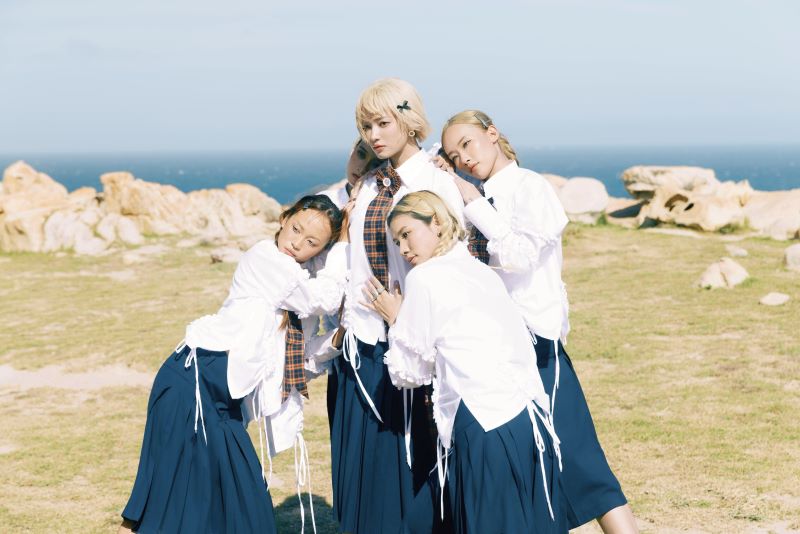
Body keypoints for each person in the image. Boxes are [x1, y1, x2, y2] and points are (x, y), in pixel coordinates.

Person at [441, 110, 638, 533]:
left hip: (536, 343)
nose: (464, 159)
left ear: (492, 134)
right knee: (532, 464)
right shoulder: (476, 196)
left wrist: (473, 203)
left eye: (467, 145)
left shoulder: (530, 188)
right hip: (493, 349)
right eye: (454, 156)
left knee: (580, 458)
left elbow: (520, 257)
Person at [118, 194, 348, 534]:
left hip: (224, 406)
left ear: (319, 251)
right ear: (284, 219)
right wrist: (342, 248)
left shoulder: (299, 281)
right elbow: (323, 298)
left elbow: (298, 359)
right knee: (161, 502)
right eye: (296, 229)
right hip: (191, 385)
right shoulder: (266, 257)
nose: (297, 243)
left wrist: (337, 340)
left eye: (312, 242)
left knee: (241, 507)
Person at [365, 190, 566, 533]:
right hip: (528, 415)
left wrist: (396, 319)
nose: (403, 249)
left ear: (437, 223)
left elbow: (408, 373)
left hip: (481, 418)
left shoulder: (423, 278)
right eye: (397, 241)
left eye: (407, 234)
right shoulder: (481, 270)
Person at [329, 77, 464, 533]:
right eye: (366, 127)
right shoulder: (367, 185)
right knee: (361, 464)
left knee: (409, 463)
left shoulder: (436, 181)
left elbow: (452, 259)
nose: (373, 135)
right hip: (359, 341)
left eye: (382, 123)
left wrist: (406, 316)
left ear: (409, 121)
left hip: (411, 338)